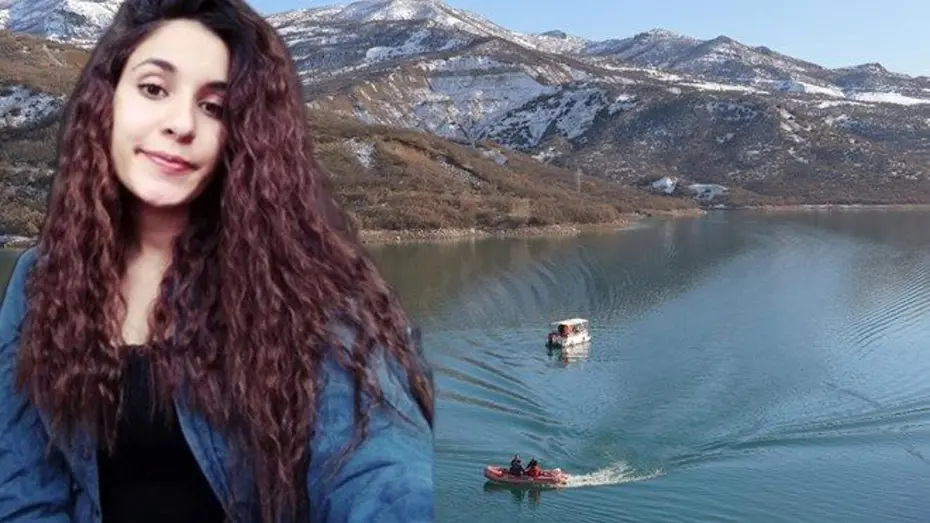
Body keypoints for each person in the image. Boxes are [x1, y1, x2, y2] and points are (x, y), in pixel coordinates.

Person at [0, 1, 434, 522]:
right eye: (154, 89)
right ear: (107, 101)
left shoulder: (309, 285)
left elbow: (382, 473)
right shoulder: (40, 279)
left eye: (214, 107)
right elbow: (23, 486)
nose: (181, 124)